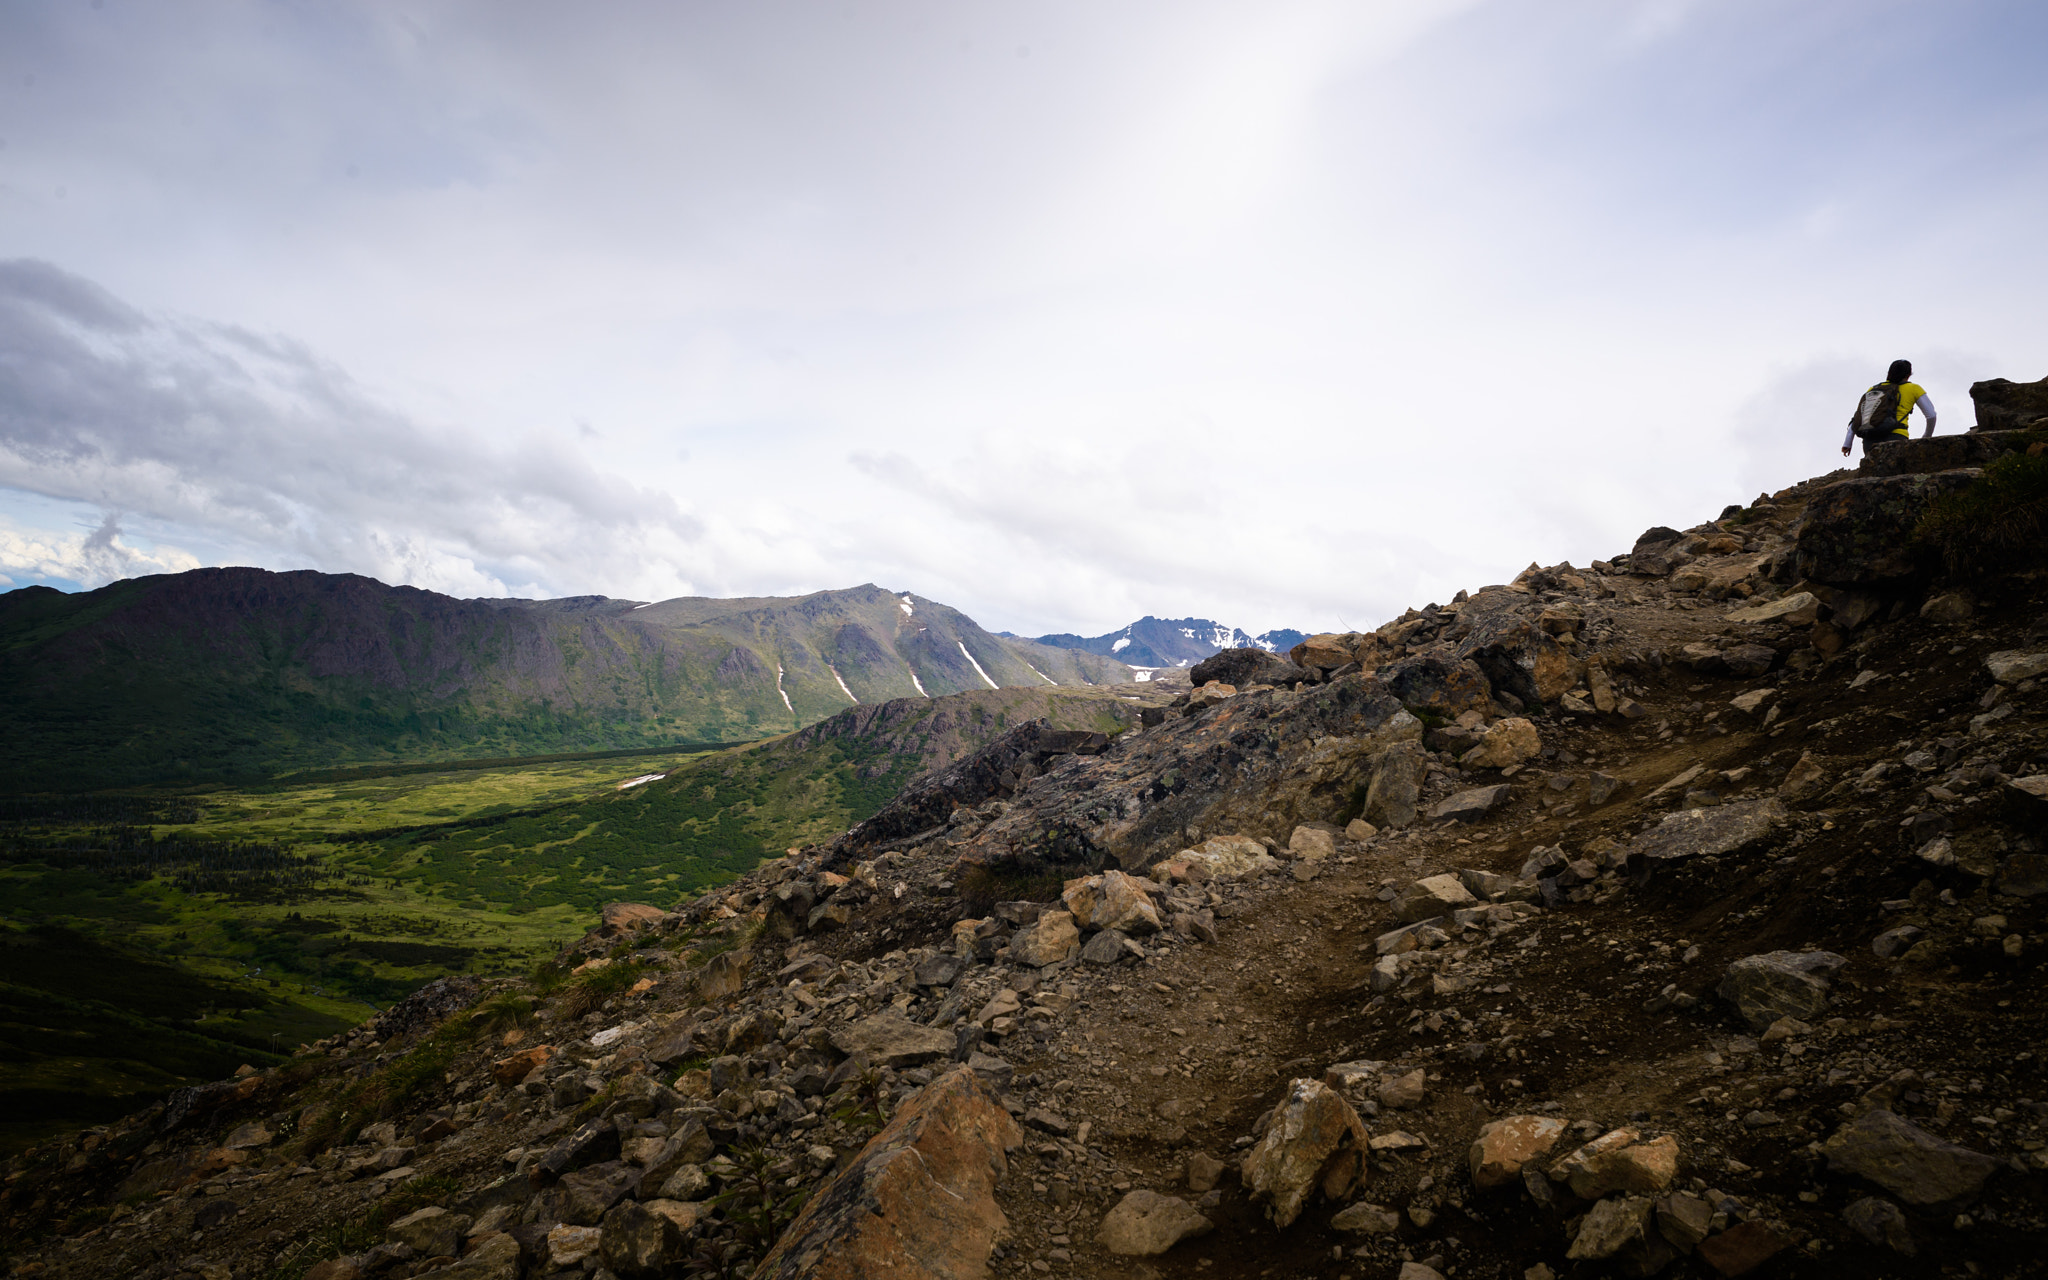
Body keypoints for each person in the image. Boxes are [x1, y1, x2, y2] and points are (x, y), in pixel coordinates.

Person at [1843, 358, 1936, 456]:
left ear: (1889, 373)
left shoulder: (1874, 389)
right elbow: (1931, 415)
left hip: (1870, 441)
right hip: (1897, 438)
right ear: (1908, 375)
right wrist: (1926, 437)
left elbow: (1858, 417)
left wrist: (1847, 443)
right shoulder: (1914, 389)